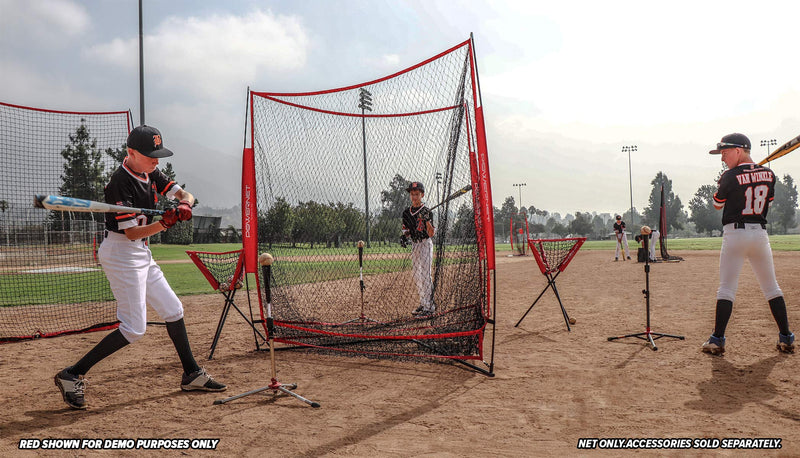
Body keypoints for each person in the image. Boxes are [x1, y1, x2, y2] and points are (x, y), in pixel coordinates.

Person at [54, 125, 226, 410]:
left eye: (157, 155)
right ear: (131, 152)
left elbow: (183, 193)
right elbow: (132, 232)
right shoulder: (120, 182)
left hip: (141, 253)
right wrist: (166, 223)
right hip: (121, 253)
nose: (156, 161)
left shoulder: (150, 172)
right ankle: (72, 374)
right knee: (134, 328)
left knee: (173, 309)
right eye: (150, 155)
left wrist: (185, 204)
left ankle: (191, 374)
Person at [702, 133, 794, 355]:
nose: (722, 158)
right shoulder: (769, 174)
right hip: (760, 236)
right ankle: (786, 337)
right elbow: (767, 201)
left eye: (724, 153)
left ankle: (717, 339)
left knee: (726, 288)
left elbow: (716, 204)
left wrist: (724, 184)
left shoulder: (730, 176)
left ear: (738, 151)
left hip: (735, 236)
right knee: (772, 287)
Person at [401, 181, 436, 317]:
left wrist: (427, 220)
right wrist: (404, 237)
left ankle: (429, 307)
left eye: (416, 194)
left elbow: (431, 233)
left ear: (422, 195)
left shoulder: (427, 212)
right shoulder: (406, 213)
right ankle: (423, 302)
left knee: (425, 275)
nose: (414, 197)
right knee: (417, 275)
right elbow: (407, 230)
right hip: (415, 245)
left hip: (425, 244)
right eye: (412, 194)